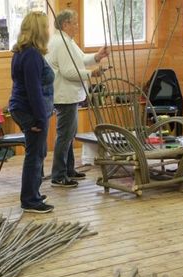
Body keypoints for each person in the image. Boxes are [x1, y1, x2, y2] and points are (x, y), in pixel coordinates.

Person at [46, 9, 109, 188]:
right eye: (74, 23)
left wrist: (97, 56)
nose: (77, 26)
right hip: (65, 96)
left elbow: (80, 59)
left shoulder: (66, 41)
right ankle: (59, 176)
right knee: (65, 136)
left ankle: (68, 170)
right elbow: (69, 71)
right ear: (65, 24)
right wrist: (92, 73)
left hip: (67, 95)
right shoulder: (61, 43)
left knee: (68, 134)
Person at [9, 11, 54, 213]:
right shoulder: (32, 55)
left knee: (38, 152)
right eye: (45, 27)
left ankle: (33, 193)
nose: (48, 30)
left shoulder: (22, 52)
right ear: (39, 30)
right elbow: (33, 90)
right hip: (30, 110)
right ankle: (29, 200)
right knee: (34, 155)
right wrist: (40, 119)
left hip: (24, 108)